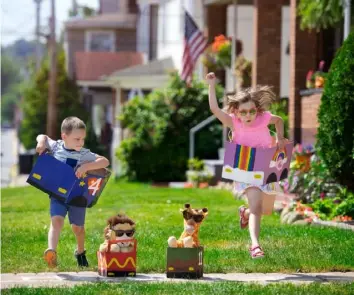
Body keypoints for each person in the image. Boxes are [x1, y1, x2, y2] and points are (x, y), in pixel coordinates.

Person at [206, 72, 285, 259]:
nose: (248, 115)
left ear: (256, 110)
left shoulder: (264, 118)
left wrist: (280, 138)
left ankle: (245, 212)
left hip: (267, 165)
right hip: (246, 167)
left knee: (264, 209)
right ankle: (255, 246)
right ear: (236, 111)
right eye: (243, 111)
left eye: (251, 111)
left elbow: (279, 120)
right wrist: (211, 85)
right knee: (257, 208)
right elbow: (215, 109)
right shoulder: (233, 122)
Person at [36, 116, 110, 268]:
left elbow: (105, 162)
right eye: (77, 139)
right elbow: (42, 136)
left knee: (78, 228)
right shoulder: (56, 146)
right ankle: (52, 251)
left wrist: (86, 167)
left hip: (77, 196)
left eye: (82, 139)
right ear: (64, 137)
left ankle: (80, 252)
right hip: (57, 194)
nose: (80, 142)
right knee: (56, 221)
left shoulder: (84, 153)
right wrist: (41, 143)